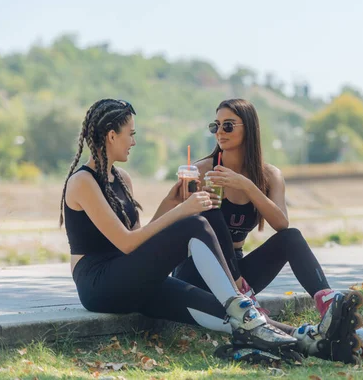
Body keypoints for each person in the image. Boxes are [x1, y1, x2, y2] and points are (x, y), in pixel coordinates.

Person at [60, 98, 310, 363]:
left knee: (218, 309)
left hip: (130, 278)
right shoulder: (83, 181)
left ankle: (308, 340)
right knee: (195, 224)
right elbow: (126, 243)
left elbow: (140, 238)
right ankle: (241, 306)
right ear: (112, 136)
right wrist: (184, 210)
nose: (133, 141)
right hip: (100, 284)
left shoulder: (122, 178)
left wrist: (172, 201)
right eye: (130, 134)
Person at [172, 99, 363, 363]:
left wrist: (246, 185)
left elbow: (281, 224)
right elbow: (181, 224)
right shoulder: (202, 170)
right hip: (199, 271)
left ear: (249, 129)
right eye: (215, 125)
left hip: (239, 271)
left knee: (292, 237)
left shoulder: (269, 175)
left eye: (228, 125)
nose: (220, 132)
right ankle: (309, 336)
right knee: (211, 210)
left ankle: (329, 307)